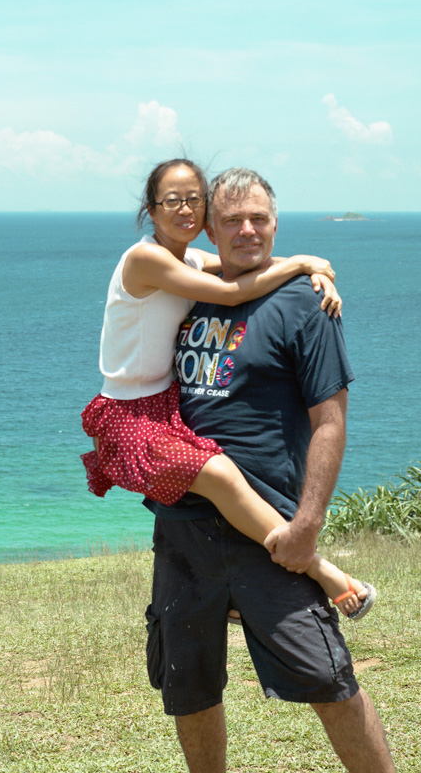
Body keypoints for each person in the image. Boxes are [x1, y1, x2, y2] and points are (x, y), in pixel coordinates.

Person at [144, 167, 421, 773]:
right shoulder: (190, 289)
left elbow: (329, 421)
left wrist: (309, 524)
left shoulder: (306, 304)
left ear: (276, 224)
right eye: (232, 219)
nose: (247, 230)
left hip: (270, 535)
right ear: (210, 229)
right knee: (188, 680)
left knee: (328, 679)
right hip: (184, 527)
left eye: (260, 219)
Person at [81, 158, 375, 617]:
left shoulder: (192, 259)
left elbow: (249, 262)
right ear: (151, 210)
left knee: (220, 484)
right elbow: (234, 292)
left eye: (193, 199)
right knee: (219, 475)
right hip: (130, 413)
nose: (184, 208)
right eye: (171, 200)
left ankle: (235, 594)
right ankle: (319, 568)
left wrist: (314, 270)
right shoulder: (145, 258)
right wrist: (303, 261)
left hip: (162, 406)